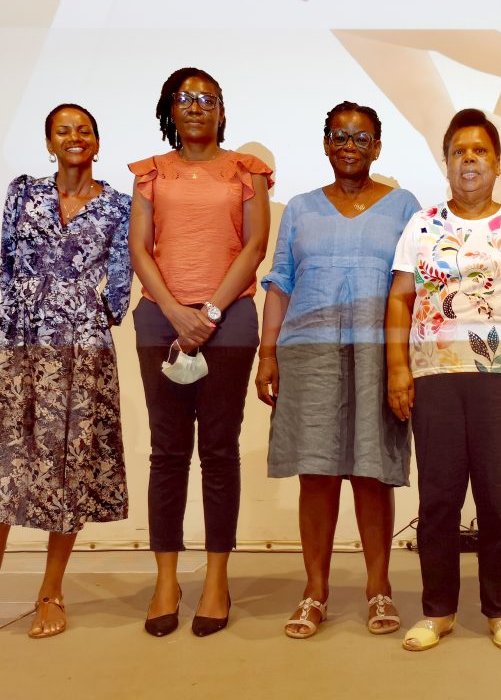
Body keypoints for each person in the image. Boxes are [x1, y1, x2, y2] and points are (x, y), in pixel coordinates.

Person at [0, 104, 131, 642]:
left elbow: (120, 284)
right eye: (63, 130)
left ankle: (51, 592)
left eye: (84, 129)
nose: (75, 137)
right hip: (18, 338)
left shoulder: (119, 205)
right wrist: (26, 310)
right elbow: (7, 265)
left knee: (66, 463)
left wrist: (82, 313)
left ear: (97, 141)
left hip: (80, 347)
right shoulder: (22, 192)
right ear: (50, 143)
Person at [387, 108, 501, 652]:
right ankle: (438, 611)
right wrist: (398, 369)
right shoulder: (423, 225)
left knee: (499, 497)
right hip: (434, 375)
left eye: (480, 151)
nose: (470, 160)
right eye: (459, 151)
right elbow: (400, 300)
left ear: (498, 163)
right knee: (438, 498)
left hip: (500, 376)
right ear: (446, 162)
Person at [255, 101, 419, 638]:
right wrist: (267, 353)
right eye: (340, 136)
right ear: (326, 143)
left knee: (373, 473)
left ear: (378, 147)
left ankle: (379, 588)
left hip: (378, 353)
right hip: (310, 352)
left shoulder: (404, 206)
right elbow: (280, 283)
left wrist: (405, 364)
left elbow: (412, 287)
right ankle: (314, 591)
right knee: (318, 472)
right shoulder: (300, 208)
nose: (350, 146)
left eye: (361, 138)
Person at [129, 67, 272, 638]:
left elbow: (254, 245)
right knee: (167, 453)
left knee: (218, 450)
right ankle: (166, 580)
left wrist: (208, 313)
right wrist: (174, 311)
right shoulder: (150, 172)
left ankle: (216, 579)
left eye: (207, 98)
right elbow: (140, 248)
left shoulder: (246, 170)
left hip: (229, 320)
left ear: (221, 110)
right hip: (160, 320)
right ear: (170, 108)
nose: (196, 106)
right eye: (185, 98)